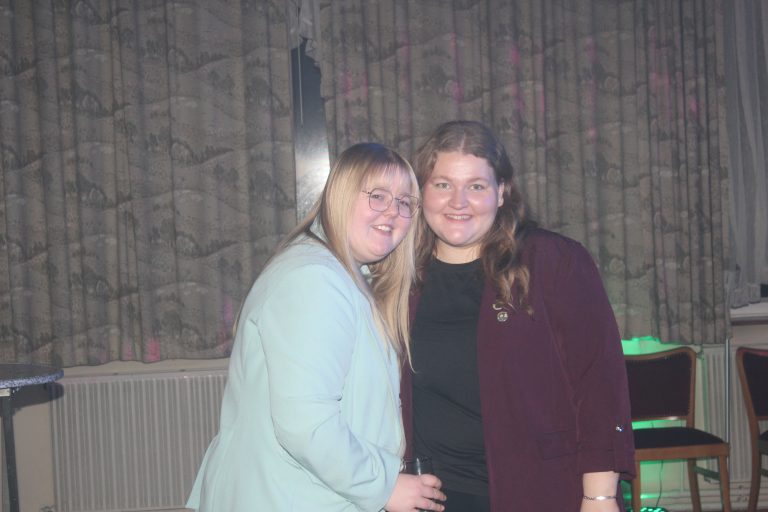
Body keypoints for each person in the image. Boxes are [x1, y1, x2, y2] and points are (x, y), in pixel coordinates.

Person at [187, 143, 446, 512]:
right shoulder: (314, 278)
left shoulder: (344, 273)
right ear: (340, 195)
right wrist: (384, 486)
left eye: (405, 202)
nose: (393, 211)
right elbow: (305, 422)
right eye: (377, 196)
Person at [400, 121, 635, 511]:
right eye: (443, 184)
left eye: (476, 186)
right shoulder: (401, 278)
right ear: (421, 192)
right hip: (433, 496)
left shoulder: (553, 261)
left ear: (501, 192)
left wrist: (600, 495)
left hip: (539, 491)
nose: (458, 202)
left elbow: (600, 387)